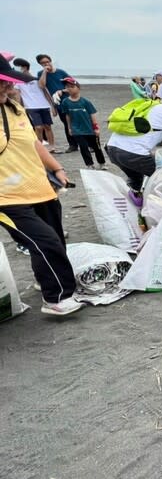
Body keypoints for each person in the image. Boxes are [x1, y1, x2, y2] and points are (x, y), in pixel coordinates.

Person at [0, 57, 83, 315]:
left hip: (40, 188)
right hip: (8, 198)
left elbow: (33, 144)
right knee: (45, 242)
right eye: (1, 84)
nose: (7, 88)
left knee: (55, 241)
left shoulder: (13, 108)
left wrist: (56, 168)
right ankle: (57, 297)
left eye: (8, 84)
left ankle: (44, 281)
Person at [12, 57, 58, 152]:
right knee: (38, 127)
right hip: (31, 107)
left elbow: (46, 93)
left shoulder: (37, 79)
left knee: (47, 126)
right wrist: (19, 108)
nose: (15, 69)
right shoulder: (18, 82)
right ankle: (39, 147)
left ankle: (52, 146)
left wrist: (52, 106)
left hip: (44, 106)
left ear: (24, 68)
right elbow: (17, 96)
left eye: (17, 67)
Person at [60, 77, 106, 169]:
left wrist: (96, 128)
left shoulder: (85, 102)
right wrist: (69, 128)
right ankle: (89, 165)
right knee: (83, 148)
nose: (69, 88)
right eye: (67, 86)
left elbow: (92, 115)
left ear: (78, 88)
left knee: (97, 147)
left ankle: (102, 163)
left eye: (72, 86)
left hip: (90, 130)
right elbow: (67, 115)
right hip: (77, 130)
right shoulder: (65, 102)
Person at [35, 53, 78, 153]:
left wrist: (62, 90)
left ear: (51, 61)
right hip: (57, 103)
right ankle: (73, 145)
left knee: (76, 121)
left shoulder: (60, 72)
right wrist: (45, 72)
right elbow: (42, 86)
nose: (46, 64)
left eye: (47, 62)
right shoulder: (40, 74)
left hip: (69, 100)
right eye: (43, 63)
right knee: (66, 123)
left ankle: (88, 144)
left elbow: (74, 84)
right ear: (40, 64)